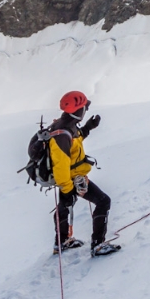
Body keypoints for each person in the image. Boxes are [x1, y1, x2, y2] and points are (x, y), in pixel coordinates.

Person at [49, 90, 117, 256]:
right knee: (103, 201)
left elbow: (75, 140)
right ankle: (98, 245)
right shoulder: (62, 134)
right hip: (71, 178)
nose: (86, 109)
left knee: (64, 206)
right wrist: (68, 189)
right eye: (85, 107)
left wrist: (88, 128)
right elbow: (60, 166)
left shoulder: (66, 125)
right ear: (78, 110)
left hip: (71, 178)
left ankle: (62, 242)